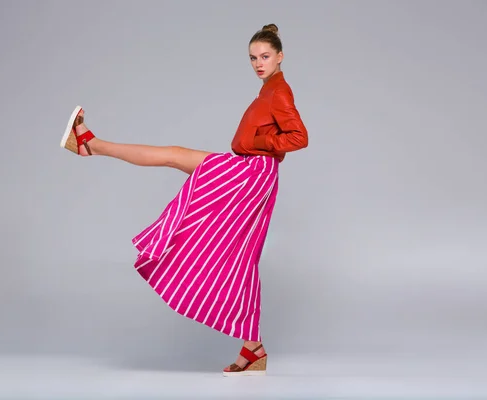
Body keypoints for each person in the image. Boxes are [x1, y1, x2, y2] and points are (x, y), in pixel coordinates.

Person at [59, 23, 308, 376]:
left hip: (253, 172)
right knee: (236, 252)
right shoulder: (268, 89)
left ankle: (89, 144)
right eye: (253, 58)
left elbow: (299, 136)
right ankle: (254, 349)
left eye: (265, 56)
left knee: (176, 158)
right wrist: (255, 146)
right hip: (250, 169)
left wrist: (259, 144)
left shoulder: (279, 92)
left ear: (280, 57)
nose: (258, 63)